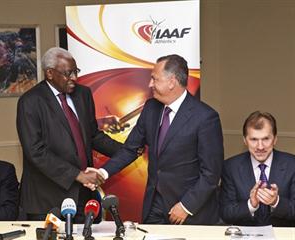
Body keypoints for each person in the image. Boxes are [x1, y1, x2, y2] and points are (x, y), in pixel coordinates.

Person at [90, 54, 224, 224]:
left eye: (154, 79)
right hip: (154, 205)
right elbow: (130, 148)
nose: (150, 84)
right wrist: (102, 172)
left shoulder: (205, 118)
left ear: (172, 81)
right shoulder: (150, 108)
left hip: (188, 211)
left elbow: (211, 174)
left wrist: (186, 206)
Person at [16, 47, 122, 222]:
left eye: (76, 71)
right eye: (68, 73)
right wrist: (77, 175)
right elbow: (35, 151)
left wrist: (128, 150)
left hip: (83, 195)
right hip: (47, 200)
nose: (74, 78)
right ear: (49, 73)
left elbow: (93, 136)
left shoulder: (83, 94)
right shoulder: (30, 101)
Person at [220, 111, 295, 227]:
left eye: (266, 139)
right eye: (254, 139)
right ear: (245, 140)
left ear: (275, 139)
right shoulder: (230, 167)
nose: (260, 147)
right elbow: (226, 213)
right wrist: (251, 205)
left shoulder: (292, 165)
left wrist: (276, 202)